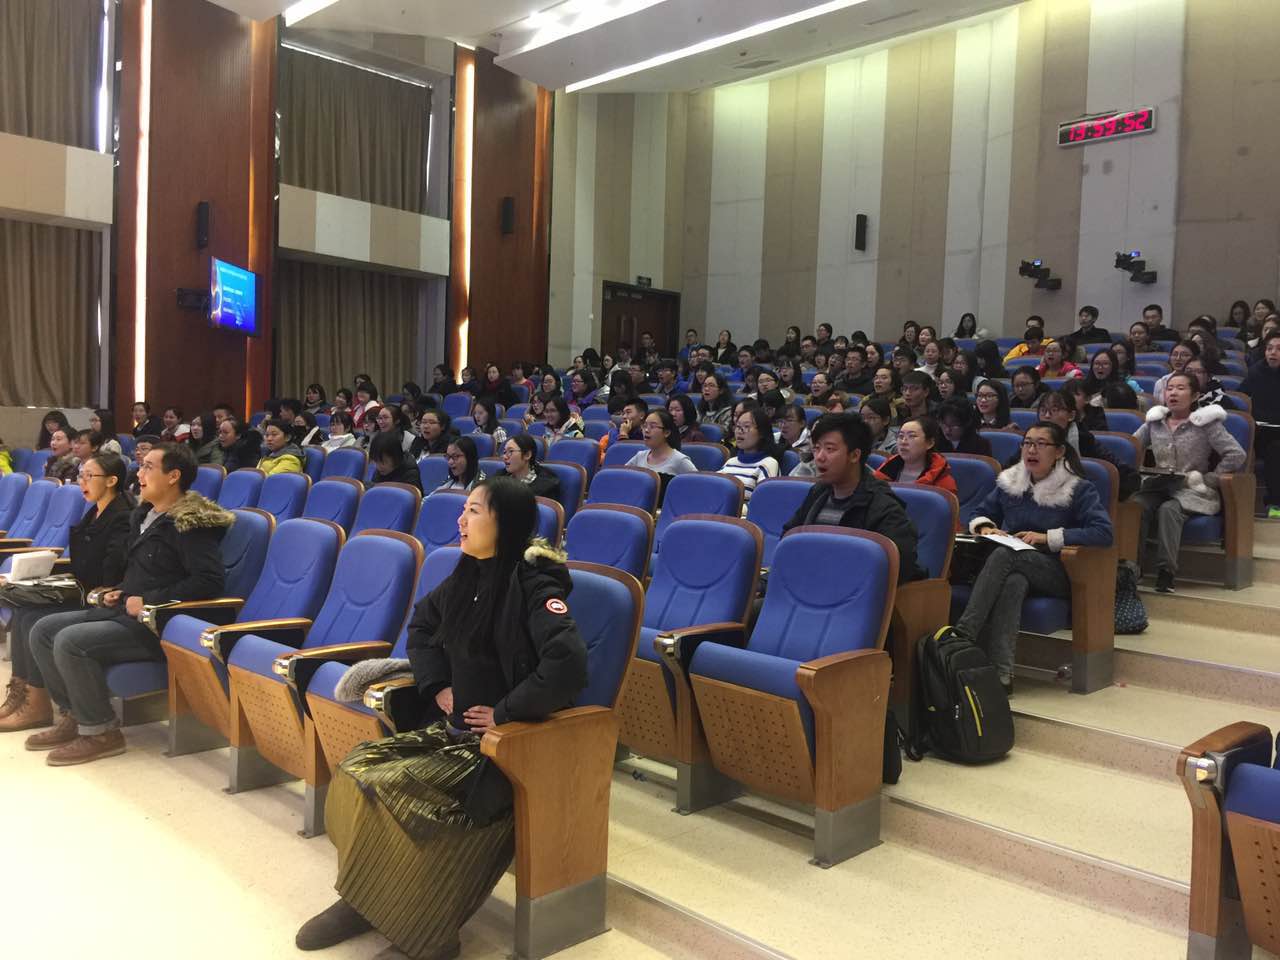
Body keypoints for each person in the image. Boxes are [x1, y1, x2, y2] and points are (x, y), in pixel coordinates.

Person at [300, 475, 587, 960]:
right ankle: (362, 898)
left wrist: (504, 711)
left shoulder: (535, 587)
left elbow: (568, 664)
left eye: (474, 511)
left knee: (393, 791)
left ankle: (430, 937)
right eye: (464, 509)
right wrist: (437, 685)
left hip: (502, 748)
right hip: (451, 734)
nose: (461, 519)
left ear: (505, 523)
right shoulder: (467, 575)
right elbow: (422, 626)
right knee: (354, 770)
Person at [25, 443, 232, 764]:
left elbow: (209, 582)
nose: (139, 474)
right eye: (141, 466)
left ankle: (101, 732)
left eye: (149, 467)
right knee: (43, 630)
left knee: (70, 642)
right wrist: (119, 591)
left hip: (159, 624)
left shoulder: (190, 524)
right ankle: (75, 715)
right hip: (125, 611)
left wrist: (148, 601)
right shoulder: (144, 516)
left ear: (174, 476)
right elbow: (143, 573)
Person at [954, 423, 1112, 692]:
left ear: (1059, 451)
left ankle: (964, 634)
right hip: (1015, 566)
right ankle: (1002, 676)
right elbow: (980, 512)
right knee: (1013, 582)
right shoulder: (1011, 483)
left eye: (1041, 444)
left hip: (1058, 570)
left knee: (1006, 555)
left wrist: (1047, 537)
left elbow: (1103, 532)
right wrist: (985, 527)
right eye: (1027, 443)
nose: (1031, 450)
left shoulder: (1077, 488)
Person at [0, 452, 133, 733]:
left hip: (102, 600)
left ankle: (40, 702)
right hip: (85, 590)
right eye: (80, 475)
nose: (81, 481)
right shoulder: (94, 512)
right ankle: (25, 692)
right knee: (24, 611)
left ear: (111, 481)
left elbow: (109, 573)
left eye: (89, 476)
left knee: (35, 621)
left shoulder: (122, 517)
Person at [1133, 372, 1247, 592]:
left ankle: (1166, 572)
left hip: (1190, 489)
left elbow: (1236, 454)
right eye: (1170, 388)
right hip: (1159, 485)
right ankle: (1131, 568)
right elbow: (1132, 446)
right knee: (1136, 505)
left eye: (1180, 388)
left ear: (1195, 396)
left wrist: (1210, 479)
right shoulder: (1154, 422)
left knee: (1169, 509)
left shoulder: (1206, 423)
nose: (1173, 393)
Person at [782, 413, 922, 583]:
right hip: (806, 582)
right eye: (817, 448)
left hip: (849, 591)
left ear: (855, 455)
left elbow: (897, 566)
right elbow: (789, 537)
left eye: (830, 449)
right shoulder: (819, 492)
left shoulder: (883, 506)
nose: (819, 457)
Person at [1243, 330, 1280, 518]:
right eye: (1269, 348)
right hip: (1259, 430)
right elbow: (1241, 398)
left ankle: (1275, 504)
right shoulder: (1256, 371)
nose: (1273, 352)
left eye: (1279, 349)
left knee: (1276, 450)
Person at [873, 417, 958, 495]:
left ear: (930, 443)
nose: (903, 442)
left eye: (912, 436)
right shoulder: (886, 470)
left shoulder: (943, 482)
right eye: (900, 436)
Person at [719, 407, 781, 503]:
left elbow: (764, 503)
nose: (739, 431)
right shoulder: (730, 462)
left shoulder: (768, 464)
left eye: (746, 427)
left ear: (761, 432)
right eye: (738, 426)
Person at [627, 408, 697, 488]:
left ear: (666, 432)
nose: (646, 430)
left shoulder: (680, 460)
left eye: (652, 426)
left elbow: (697, 486)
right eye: (644, 426)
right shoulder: (640, 456)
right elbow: (622, 478)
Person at [495, 435, 561, 501]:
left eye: (510, 451)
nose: (505, 457)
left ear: (527, 455)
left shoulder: (545, 487)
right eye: (504, 452)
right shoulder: (499, 477)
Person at [1153, 339, 1199, 405]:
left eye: (1185, 355)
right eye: (1174, 354)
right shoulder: (1161, 382)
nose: (1178, 358)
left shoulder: (1199, 380)